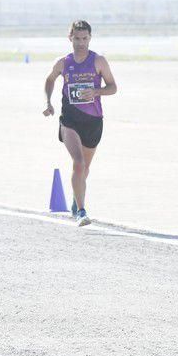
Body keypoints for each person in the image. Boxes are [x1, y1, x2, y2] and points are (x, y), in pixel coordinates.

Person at [43, 20, 117, 226]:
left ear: (90, 38)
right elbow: (50, 80)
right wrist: (48, 102)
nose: (81, 43)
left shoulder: (99, 61)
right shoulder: (63, 62)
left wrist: (97, 91)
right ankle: (82, 212)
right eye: (77, 38)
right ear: (70, 38)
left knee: (85, 169)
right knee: (78, 163)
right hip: (70, 119)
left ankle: (77, 200)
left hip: (93, 121)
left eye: (85, 38)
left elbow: (113, 87)